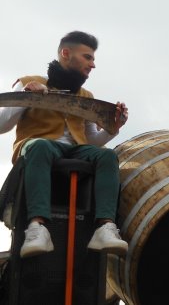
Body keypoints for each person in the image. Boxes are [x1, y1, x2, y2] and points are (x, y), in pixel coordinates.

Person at [0, 31, 128, 258]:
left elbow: (90, 140)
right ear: (66, 53)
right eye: (88, 57)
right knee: (40, 146)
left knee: (106, 156)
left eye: (93, 59)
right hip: (40, 146)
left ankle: (105, 227)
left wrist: (113, 129)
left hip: (76, 150)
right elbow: (3, 125)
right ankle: (37, 227)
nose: (93, 64)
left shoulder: (86, 95)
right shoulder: (30, 82)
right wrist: (28, 98)